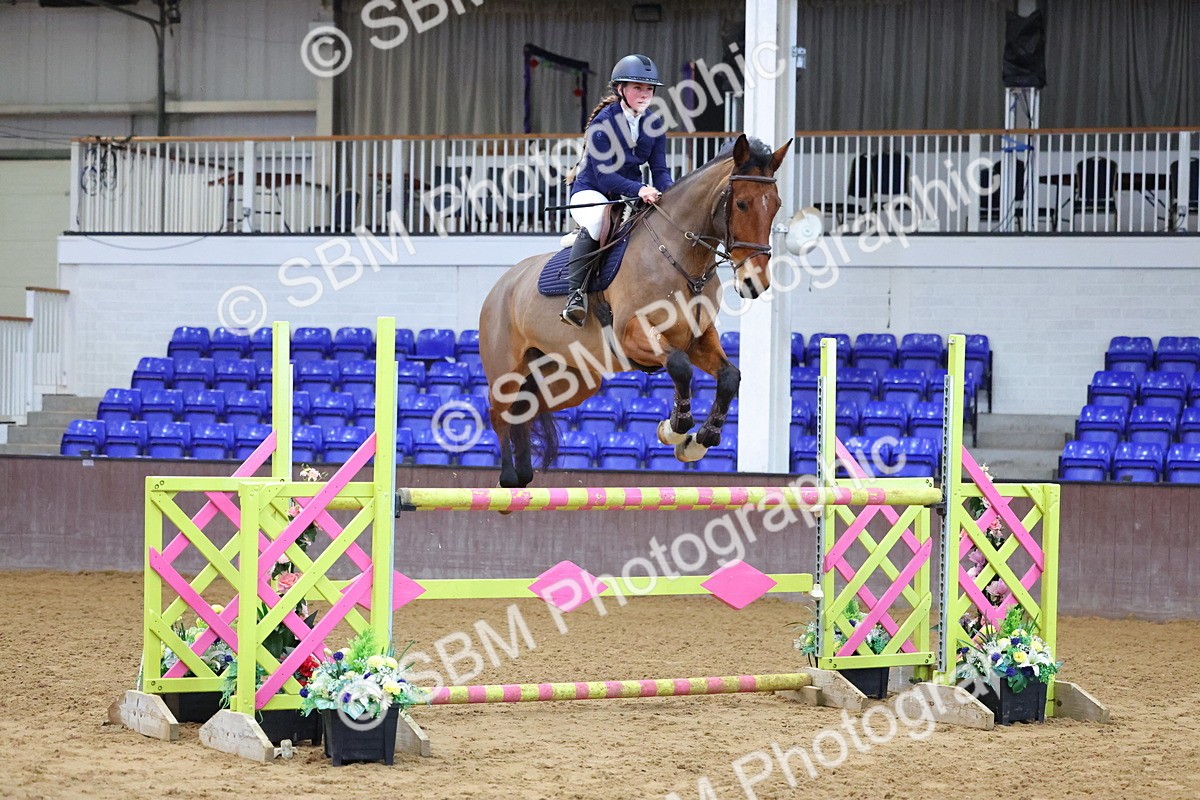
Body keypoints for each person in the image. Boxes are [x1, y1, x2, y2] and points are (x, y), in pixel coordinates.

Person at [561, 53, 674, 327]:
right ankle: (574, 297)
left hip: (630, 193)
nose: (644, 94)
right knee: (600, 220)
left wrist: (671, 195)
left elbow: (660, 170)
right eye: (637, 87)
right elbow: (605, 176)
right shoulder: (603, 124)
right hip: (592, 191)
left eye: (649, 88)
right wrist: (640, 190)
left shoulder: (654, 125)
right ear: (620, 89)